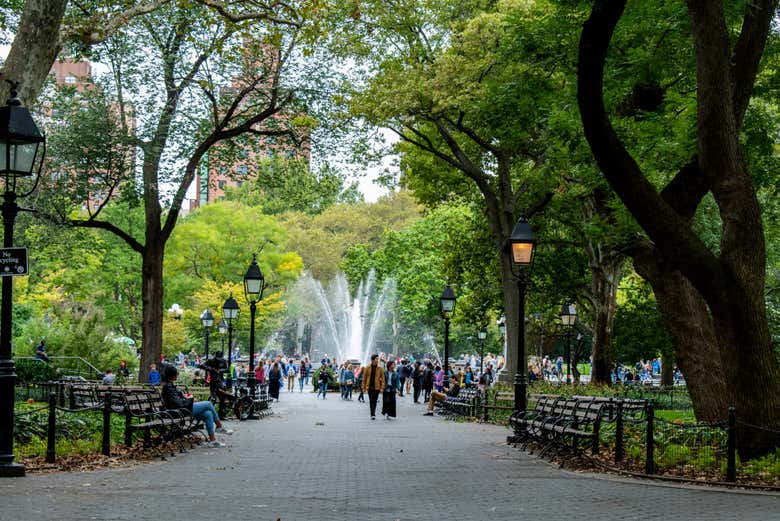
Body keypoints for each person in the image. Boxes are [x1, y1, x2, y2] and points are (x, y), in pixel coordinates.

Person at [161, 365, 231, 448]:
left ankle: (213, 441)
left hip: (181, 409)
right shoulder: (168, 387)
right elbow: (178, 404)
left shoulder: (169, 386)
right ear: (173, 375)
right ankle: (219, 426)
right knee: (208, 404)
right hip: (179, 411)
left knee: (208, 413)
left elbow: (177, 400)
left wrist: (186, 397)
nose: (178, 375)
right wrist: (190, 399)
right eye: (177, 374)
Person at [361, 354, 385, 420]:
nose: (378, 360)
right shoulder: (367, 367)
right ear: (373, 360)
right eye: (376, 359)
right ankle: (372, 414)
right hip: (369, 387)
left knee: (374, 400)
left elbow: (383, 378)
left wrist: (382, 387)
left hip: (377, 387)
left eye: (378, 359)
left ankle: (373, 412)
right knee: (371, 400)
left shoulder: (380, 368)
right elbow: (364, 378)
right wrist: (363, 387)